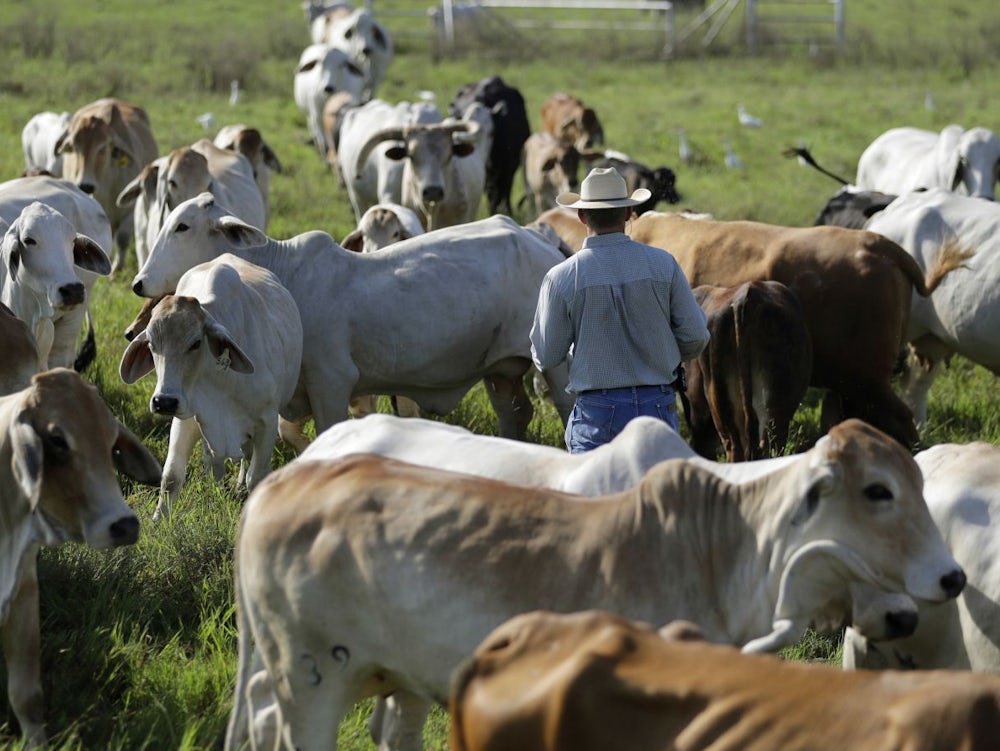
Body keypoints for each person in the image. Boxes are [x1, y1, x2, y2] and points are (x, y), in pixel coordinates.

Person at [530, 167, 709, 454]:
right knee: (652, 495)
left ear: (581, 216)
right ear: (628, 214)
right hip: (657, 404)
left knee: (595, 495)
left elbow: (547, 354)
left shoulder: (562, 277)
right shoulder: (664, 264)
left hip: (597, 412)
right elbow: (696, 336)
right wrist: (664, 354)